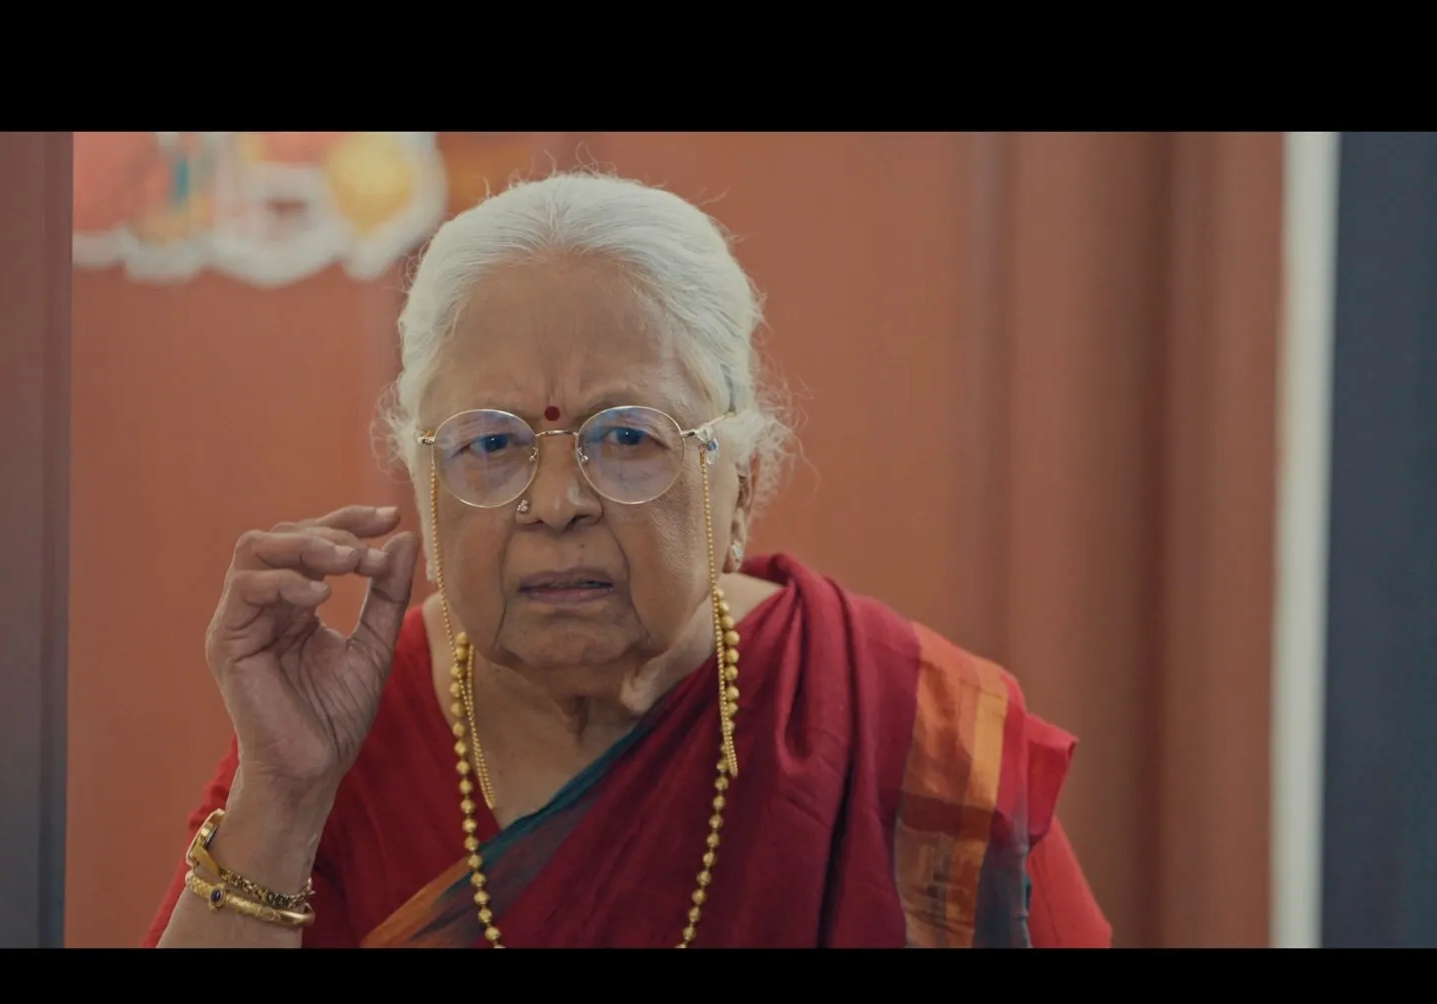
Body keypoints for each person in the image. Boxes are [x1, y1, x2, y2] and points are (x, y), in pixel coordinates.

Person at [145, 171, 1112, 948]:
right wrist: (287, 796)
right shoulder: (336, 738)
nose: (556, 503)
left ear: (743, 483)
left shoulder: (911, 729)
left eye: (627, 438)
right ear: (426, 484)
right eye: (492, 443)